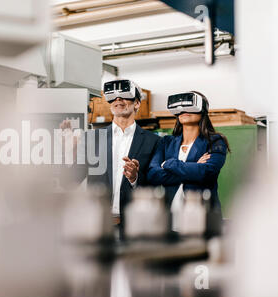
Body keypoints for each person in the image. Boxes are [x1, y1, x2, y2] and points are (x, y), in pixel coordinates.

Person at [60, 79, 160, 234]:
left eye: (124, 96)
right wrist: (67, 150)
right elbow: (71, 181)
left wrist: (134, 177)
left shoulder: (153, 141)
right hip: (97, 224)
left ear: (137, 103)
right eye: (113, 97)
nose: (118, 99)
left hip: (135, 224)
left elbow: (156, 185)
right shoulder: (91, 138)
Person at [147, 91, 230, 236]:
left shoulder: (216, 141)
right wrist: (193, 168)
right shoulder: (166, 142)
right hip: (168, 222)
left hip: (203, 220)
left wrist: (170, 164)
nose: (184, 111)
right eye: (180, 108)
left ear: (202, 110)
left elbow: (206, 173)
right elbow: (153, 175)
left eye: (189, 106)